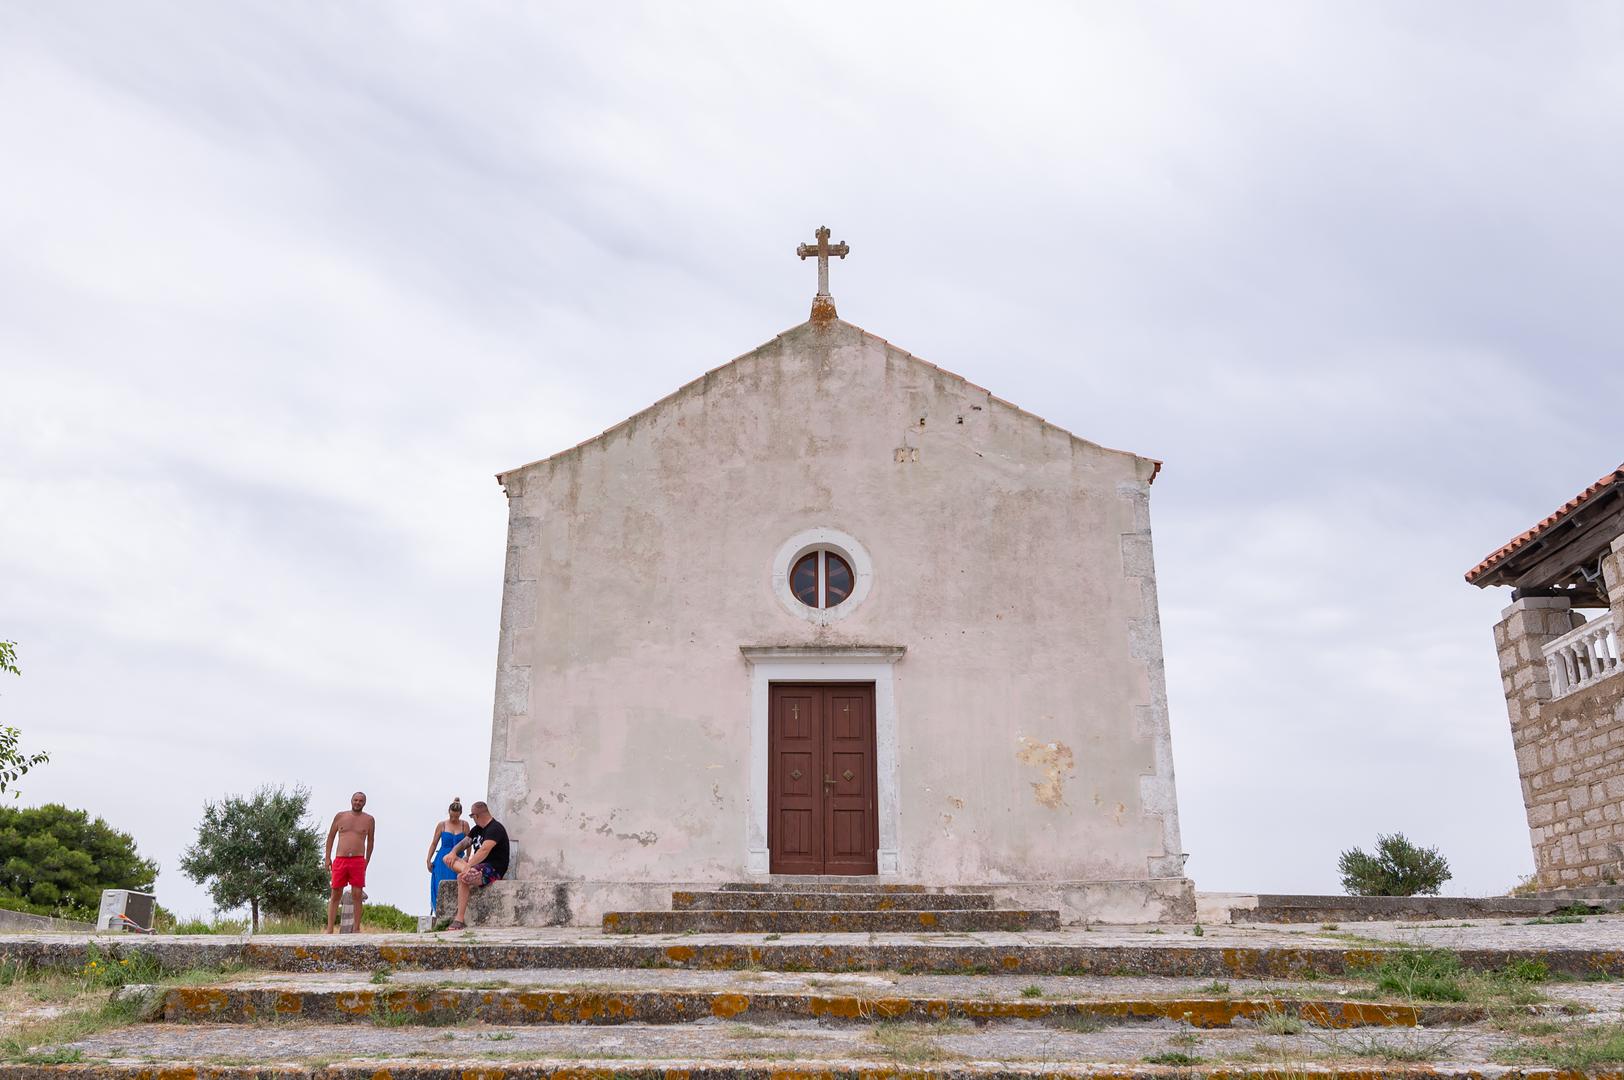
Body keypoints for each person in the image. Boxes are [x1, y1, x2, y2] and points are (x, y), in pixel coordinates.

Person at [441, 800, 509, 930]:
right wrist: (453, 852)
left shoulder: (496, 828)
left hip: (493, 868)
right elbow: (464, 843)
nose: (472, 819)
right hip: (476, 867)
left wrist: (467, 867)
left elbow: (484, 851)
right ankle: (471, 872)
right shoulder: (477, 829)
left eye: (472, 816)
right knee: (446, 858)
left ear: (477, 816)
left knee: (462, 877)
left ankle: (459, 920)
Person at [324, 791, 375, 934]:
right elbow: (331, 837)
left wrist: (367, 860)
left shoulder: (369, 820)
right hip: (340, 859)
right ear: (351, 801)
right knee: (335, 893)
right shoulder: (340, 816)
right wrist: (327, 857)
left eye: (360, 801)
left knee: (357, 894)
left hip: (358, 860)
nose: (357, 803)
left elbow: (371, 841)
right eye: (355, 800)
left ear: (364, 803)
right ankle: (329, 929)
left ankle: (356, 928)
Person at [424, 796, 469, 917]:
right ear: (449, 812)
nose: (454, 818)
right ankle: (439, 915)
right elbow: (434, 843)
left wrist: (469, 857)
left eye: (456, 816)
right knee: (440, 886)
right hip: (442, 860)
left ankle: (457, 915)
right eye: (452, 816)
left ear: (460, 814)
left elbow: (469, 843)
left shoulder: (465, 825)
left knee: (458, 884)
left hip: (459, 859)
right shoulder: (442, 825)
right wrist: (428, 859)